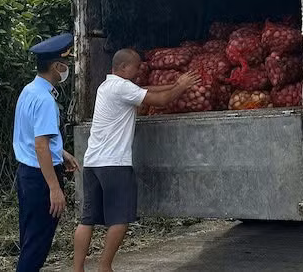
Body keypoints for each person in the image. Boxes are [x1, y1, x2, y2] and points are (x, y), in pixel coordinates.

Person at [73, 48, 202, 272]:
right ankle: (104, 267)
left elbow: (144, 90)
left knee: (87, 220)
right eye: (136, 66)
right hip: (114, 164)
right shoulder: (122, 88)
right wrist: (180, 87)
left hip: (92, 163)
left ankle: (77, 269)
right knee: (120, 218)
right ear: (123, 68)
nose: (140, 68)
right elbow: (160, 101)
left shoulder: (107, 86)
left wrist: (174, 84)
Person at [13, 32, 81, 272]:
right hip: (42, 177)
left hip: (27, 174)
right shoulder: (45, 100)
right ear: (56, 66)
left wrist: (61, 152)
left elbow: (35, 137)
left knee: (30, 239)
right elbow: (40, 145)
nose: (67, 69)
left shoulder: (29, 91)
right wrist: (54, 188)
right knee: (37, 245)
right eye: (66, 64)